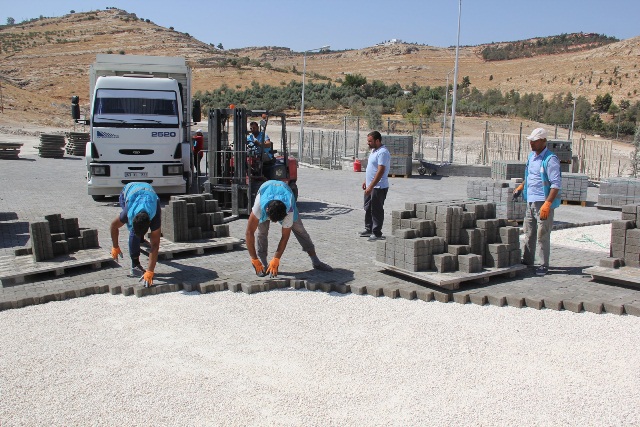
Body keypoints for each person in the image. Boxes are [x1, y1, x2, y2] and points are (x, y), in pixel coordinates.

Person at [245, 180, 333, 277]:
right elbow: (249, 233)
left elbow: (285, 237)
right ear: (266, 211)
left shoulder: (289, 210)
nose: (274, 223)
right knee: (262, 233)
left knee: (300, 231)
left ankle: (316, 261)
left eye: (277, 221)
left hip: (285, 192)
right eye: (272, 220)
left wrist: (276, 258)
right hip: (266, 190)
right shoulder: (259, 207)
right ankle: (263, 264)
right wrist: (254, 258)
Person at [512, 127, 562, 276]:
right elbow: (531, 176)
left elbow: (555, 184)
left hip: (542, 203)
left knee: (542, 235)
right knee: (529, 232)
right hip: (530, 201)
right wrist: (521, 186)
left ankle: (543, 265)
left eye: (534, 141)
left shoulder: (550, 159)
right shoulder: (531, 157)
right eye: (531, 141)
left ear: (543, 141)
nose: (531, 144)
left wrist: (548, 204)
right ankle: (528, 261)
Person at [110, 182, 162, 287]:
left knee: (140, 235)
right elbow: (113, 226)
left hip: (148, 195)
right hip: (129, 192)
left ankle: (140, 239)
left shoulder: (155, 212)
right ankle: (135, 264)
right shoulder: (128, 213)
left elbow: (155, 245)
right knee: (133, 233)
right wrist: (115, 246)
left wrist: (150, 271)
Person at [359, 130, 391, 241]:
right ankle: (368, 229)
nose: (368, 143)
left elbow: (380, 171)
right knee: (368, 207)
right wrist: (365, 181)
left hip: (378, 187)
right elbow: (370, 168)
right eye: (368, 141)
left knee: (376, 209)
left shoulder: (383, 152)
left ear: (377, 141)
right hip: (370, 185)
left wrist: (371, 186)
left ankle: (377, 232)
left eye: (370, 141)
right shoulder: (373, 151)